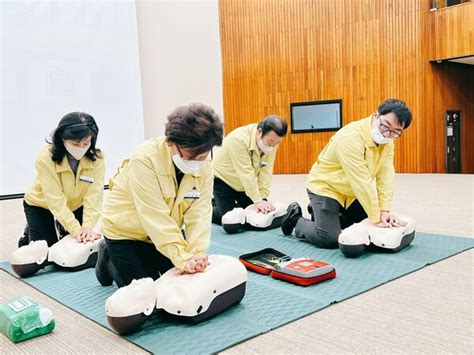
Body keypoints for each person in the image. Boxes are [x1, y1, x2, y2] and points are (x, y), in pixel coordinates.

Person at [95, 103, 224, 287]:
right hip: (126, 233)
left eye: (202, 156)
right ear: (171, 143)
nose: (197, 162)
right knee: (148, 293)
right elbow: (153, 215)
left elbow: (200, 211)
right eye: (190, 155)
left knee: (181, 284)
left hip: (165, 228)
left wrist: (195, 253)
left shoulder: (205, 165)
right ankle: (108, 259)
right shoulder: (145, 160)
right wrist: (182, 257)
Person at [280, 99, 412, 248]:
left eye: (395, 132)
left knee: (361, 224)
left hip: (351, 192)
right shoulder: (350, 137)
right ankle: (296, 219)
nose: (387, 134)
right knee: (329, 238)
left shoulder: (388, 140)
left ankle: (319, 212)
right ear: (375, 116)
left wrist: (384, 210)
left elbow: (386, 175)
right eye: (385, 126)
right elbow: (361, 181)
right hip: (326, 187)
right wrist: (377, 217)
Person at [20, 112, 104, 247]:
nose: (81, 147)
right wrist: (76, 230)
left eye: (86, 143)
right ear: (62, 138)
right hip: (41, 204)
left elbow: (94, 195)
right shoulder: (45, 157)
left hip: (75, 204)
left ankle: (64, 227)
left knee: (79, 246)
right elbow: (55, 200)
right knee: (46, 252)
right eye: (75, 143)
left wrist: (87, 227)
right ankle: (28, 233)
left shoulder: (97, 158)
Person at [212, 115, 288, 224]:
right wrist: (257, 201)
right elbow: (246, 173)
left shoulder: (272, 144)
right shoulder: (238, 140)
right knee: (229, 218)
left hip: (244, 185)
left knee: (254, 215)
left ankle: (231, 204)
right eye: (270, 142)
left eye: (277, 143)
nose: (273, 146)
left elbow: (266, 172)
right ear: (259, 132)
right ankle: (209, 208)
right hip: (224, 180)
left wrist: (263, 199)